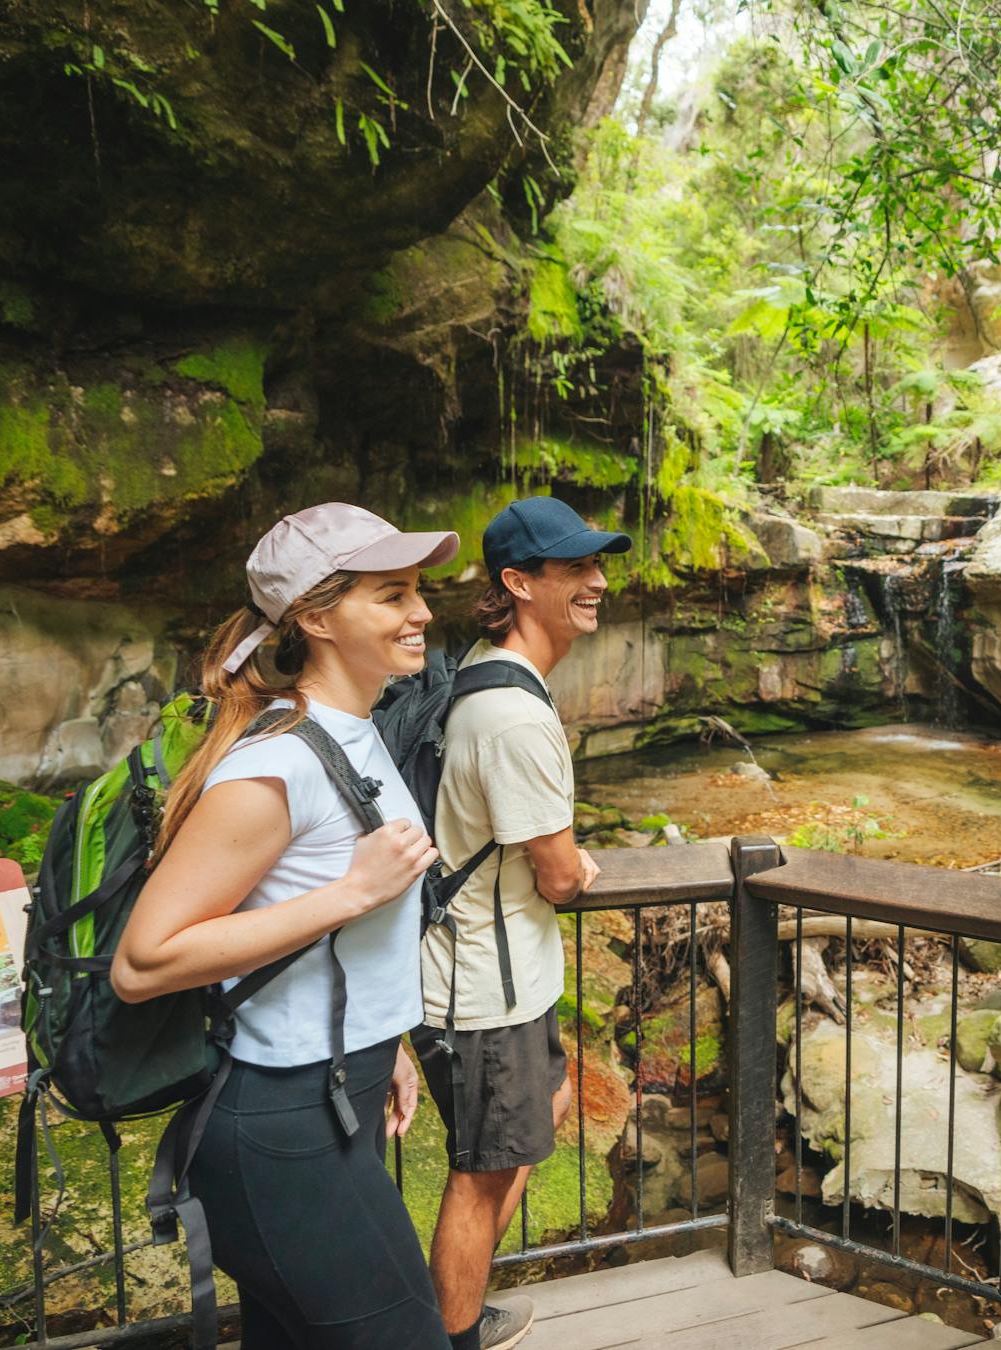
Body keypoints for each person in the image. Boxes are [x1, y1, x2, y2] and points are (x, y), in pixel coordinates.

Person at [111, 502, 458, 1348]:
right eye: (392, 595)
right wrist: (347, 893)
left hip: (341, 1090)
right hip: (278, 1126)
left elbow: (335, 938)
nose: (420, 614)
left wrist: (387, 1043)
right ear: (314, 617)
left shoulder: (359, 731)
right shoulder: (275, 763)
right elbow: (144, 961)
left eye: (416, 591)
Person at [413, 496, 631, 1350]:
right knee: (481, 1173)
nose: (598, 581)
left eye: (597, 565)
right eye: (575, 567)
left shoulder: (488, 675)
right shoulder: (513, 716)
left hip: (508, 976)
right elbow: (560, 872)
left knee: (533, 1125)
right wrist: (577, 866)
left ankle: (452, 1311)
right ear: (517, 582)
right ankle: (452, 1337)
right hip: (484, 990)